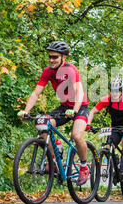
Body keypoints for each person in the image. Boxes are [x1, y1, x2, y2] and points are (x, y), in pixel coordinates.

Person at [18, 41, 90, 185]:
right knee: (42, 125)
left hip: (80, 106)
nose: (51, 60)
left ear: (64, 57)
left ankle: (84, 167)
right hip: (64, 107)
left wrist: (75, 110)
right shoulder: (48, 71)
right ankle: (54, 159)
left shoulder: (70, 70)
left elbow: (79, 92)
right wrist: (26, 111)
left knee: (76, 135)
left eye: (55, 57)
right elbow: (36, 92)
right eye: (50, 56)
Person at [87, 77, 123, 177]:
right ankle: (116, 163)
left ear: (121, 91)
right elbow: (92, 111)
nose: (114, 93)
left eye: (117, 91)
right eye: (112, 91)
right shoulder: (107, 100)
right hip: (115, 128)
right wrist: (88, 124)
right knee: (108, 147)